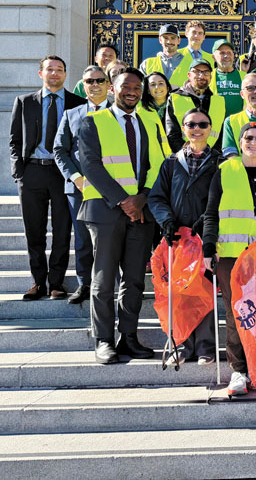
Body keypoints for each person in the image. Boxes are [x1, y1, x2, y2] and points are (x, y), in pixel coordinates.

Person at [77, 68, 164, 364]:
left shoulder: (149, 122)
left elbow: (158, 164)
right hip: (105, 210)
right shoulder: (94, 121)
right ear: (112, 89)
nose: (132, 91)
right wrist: (123, 200)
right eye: (126, 86)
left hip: (141, 211)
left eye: (137, 87)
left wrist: (143, 197)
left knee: (135, 280)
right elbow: (90, 165)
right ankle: (103, 340)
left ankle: (128, 337)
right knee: (104, 279)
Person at [201, 121, 256, 394]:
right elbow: (211, 212)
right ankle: (239, 372)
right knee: (237, 313)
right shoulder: (224, 171)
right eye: (248, 138)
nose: (253, 142)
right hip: (230, 255)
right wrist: (208, 248)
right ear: (240, 143)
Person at [148, 108, 221, 365]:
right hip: (177, 239)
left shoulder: (220, 163)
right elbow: (156, 197)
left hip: (205, 237)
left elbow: (226, 197)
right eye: (191, 124)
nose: (197, 129)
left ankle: (205, 347)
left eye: (202, 124)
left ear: (210, 129)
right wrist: (166, 220)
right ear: (183, 128)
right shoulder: (170, 163)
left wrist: (208, 220)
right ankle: (180, 344)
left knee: (203, 293)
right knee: (178, 295)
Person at [10, 55, 85, 301]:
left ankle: (56, 283)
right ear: (40, 73)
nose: (55, 73)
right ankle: (37, 282)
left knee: (62, 230)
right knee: (34, 231)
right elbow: (15, 140)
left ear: (65, 74)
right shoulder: (24, 102)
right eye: (50, 69)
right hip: (32, 172)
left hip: (63, 173)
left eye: (60, 69)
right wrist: (18, 171)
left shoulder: (78, 103)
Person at [53, 65, 112, 305]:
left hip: (114, 187)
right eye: (89, 81)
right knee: (83, 239)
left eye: (99, 80)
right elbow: (59, 150)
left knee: (112, 238)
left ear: (108, 85)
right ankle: (85, 283)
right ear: (83, 85)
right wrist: (75, 178)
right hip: (80, 188)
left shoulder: (120, 112)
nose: (95, 85)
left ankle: (111, 283)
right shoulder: (71, 114)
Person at [165, 59, 225, 152]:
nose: (202, 76)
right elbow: (172, 133)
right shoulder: (175, 98)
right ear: (189, 75)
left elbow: (222, 135)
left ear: (210, 76)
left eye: (206, 72)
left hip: (213, 156)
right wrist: (187, 154)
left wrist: (213, 155)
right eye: (197, 72)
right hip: (184, 156)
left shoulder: (219, 101)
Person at [140, 22, 215, 87]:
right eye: (165, 38)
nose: (169, 42)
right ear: (160, 40)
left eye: (173, 38)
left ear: (179, 41)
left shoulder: (207, 60)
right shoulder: (149, 63)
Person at [210, 39, 246, 118]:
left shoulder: (244, 77)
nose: (226, 56)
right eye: (222, 53)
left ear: (233, 55)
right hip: (216, 123)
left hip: (239, 122)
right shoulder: (209, 76)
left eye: (229, 52)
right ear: (214, 57)